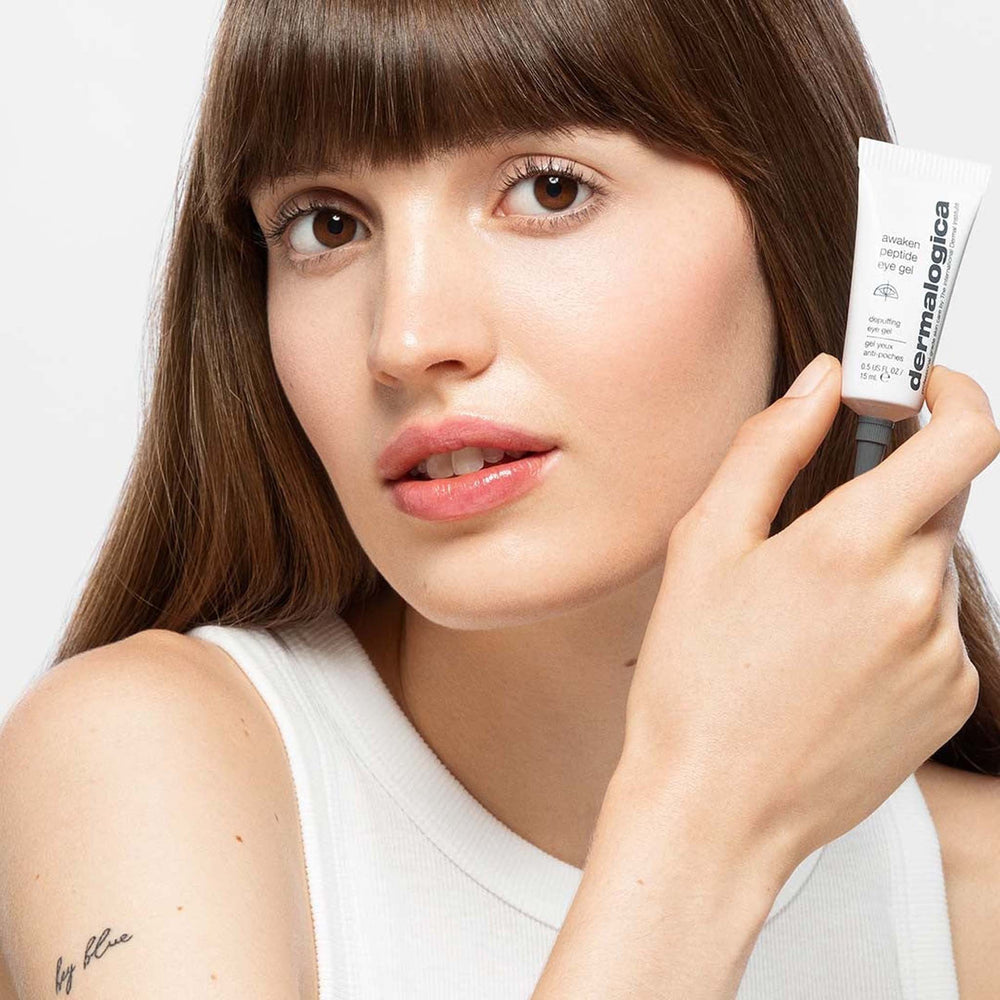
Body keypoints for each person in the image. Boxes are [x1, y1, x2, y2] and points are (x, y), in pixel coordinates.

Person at [1, 0, 999, 997]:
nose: (404, 337)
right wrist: (705, 822)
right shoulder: (141, 767)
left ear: (792, 229)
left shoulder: (972, 899)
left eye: (550, 190)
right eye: (328, 223)